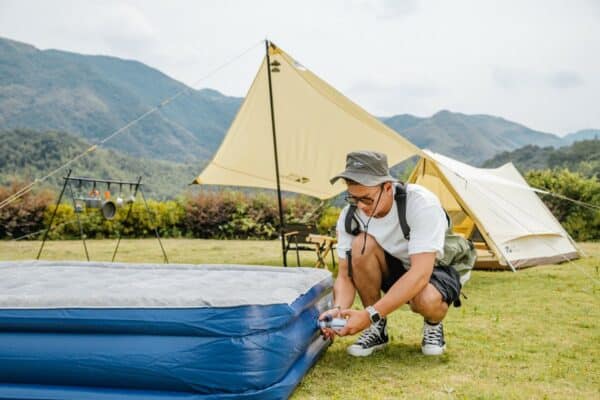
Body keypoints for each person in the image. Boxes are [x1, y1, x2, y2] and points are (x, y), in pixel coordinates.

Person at [319, 150, 471, 357]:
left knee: (424, 299)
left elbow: (420, 274)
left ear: (388, 187)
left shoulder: (421, 204)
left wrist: (367, 315)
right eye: (353, 199)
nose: (361, 206)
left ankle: (433, 324)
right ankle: (377, 330)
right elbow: (345, 275)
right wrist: (338, 310)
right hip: (395, 264)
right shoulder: (350, 216)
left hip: (433, 267)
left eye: (367, 199)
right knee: (361, 243)